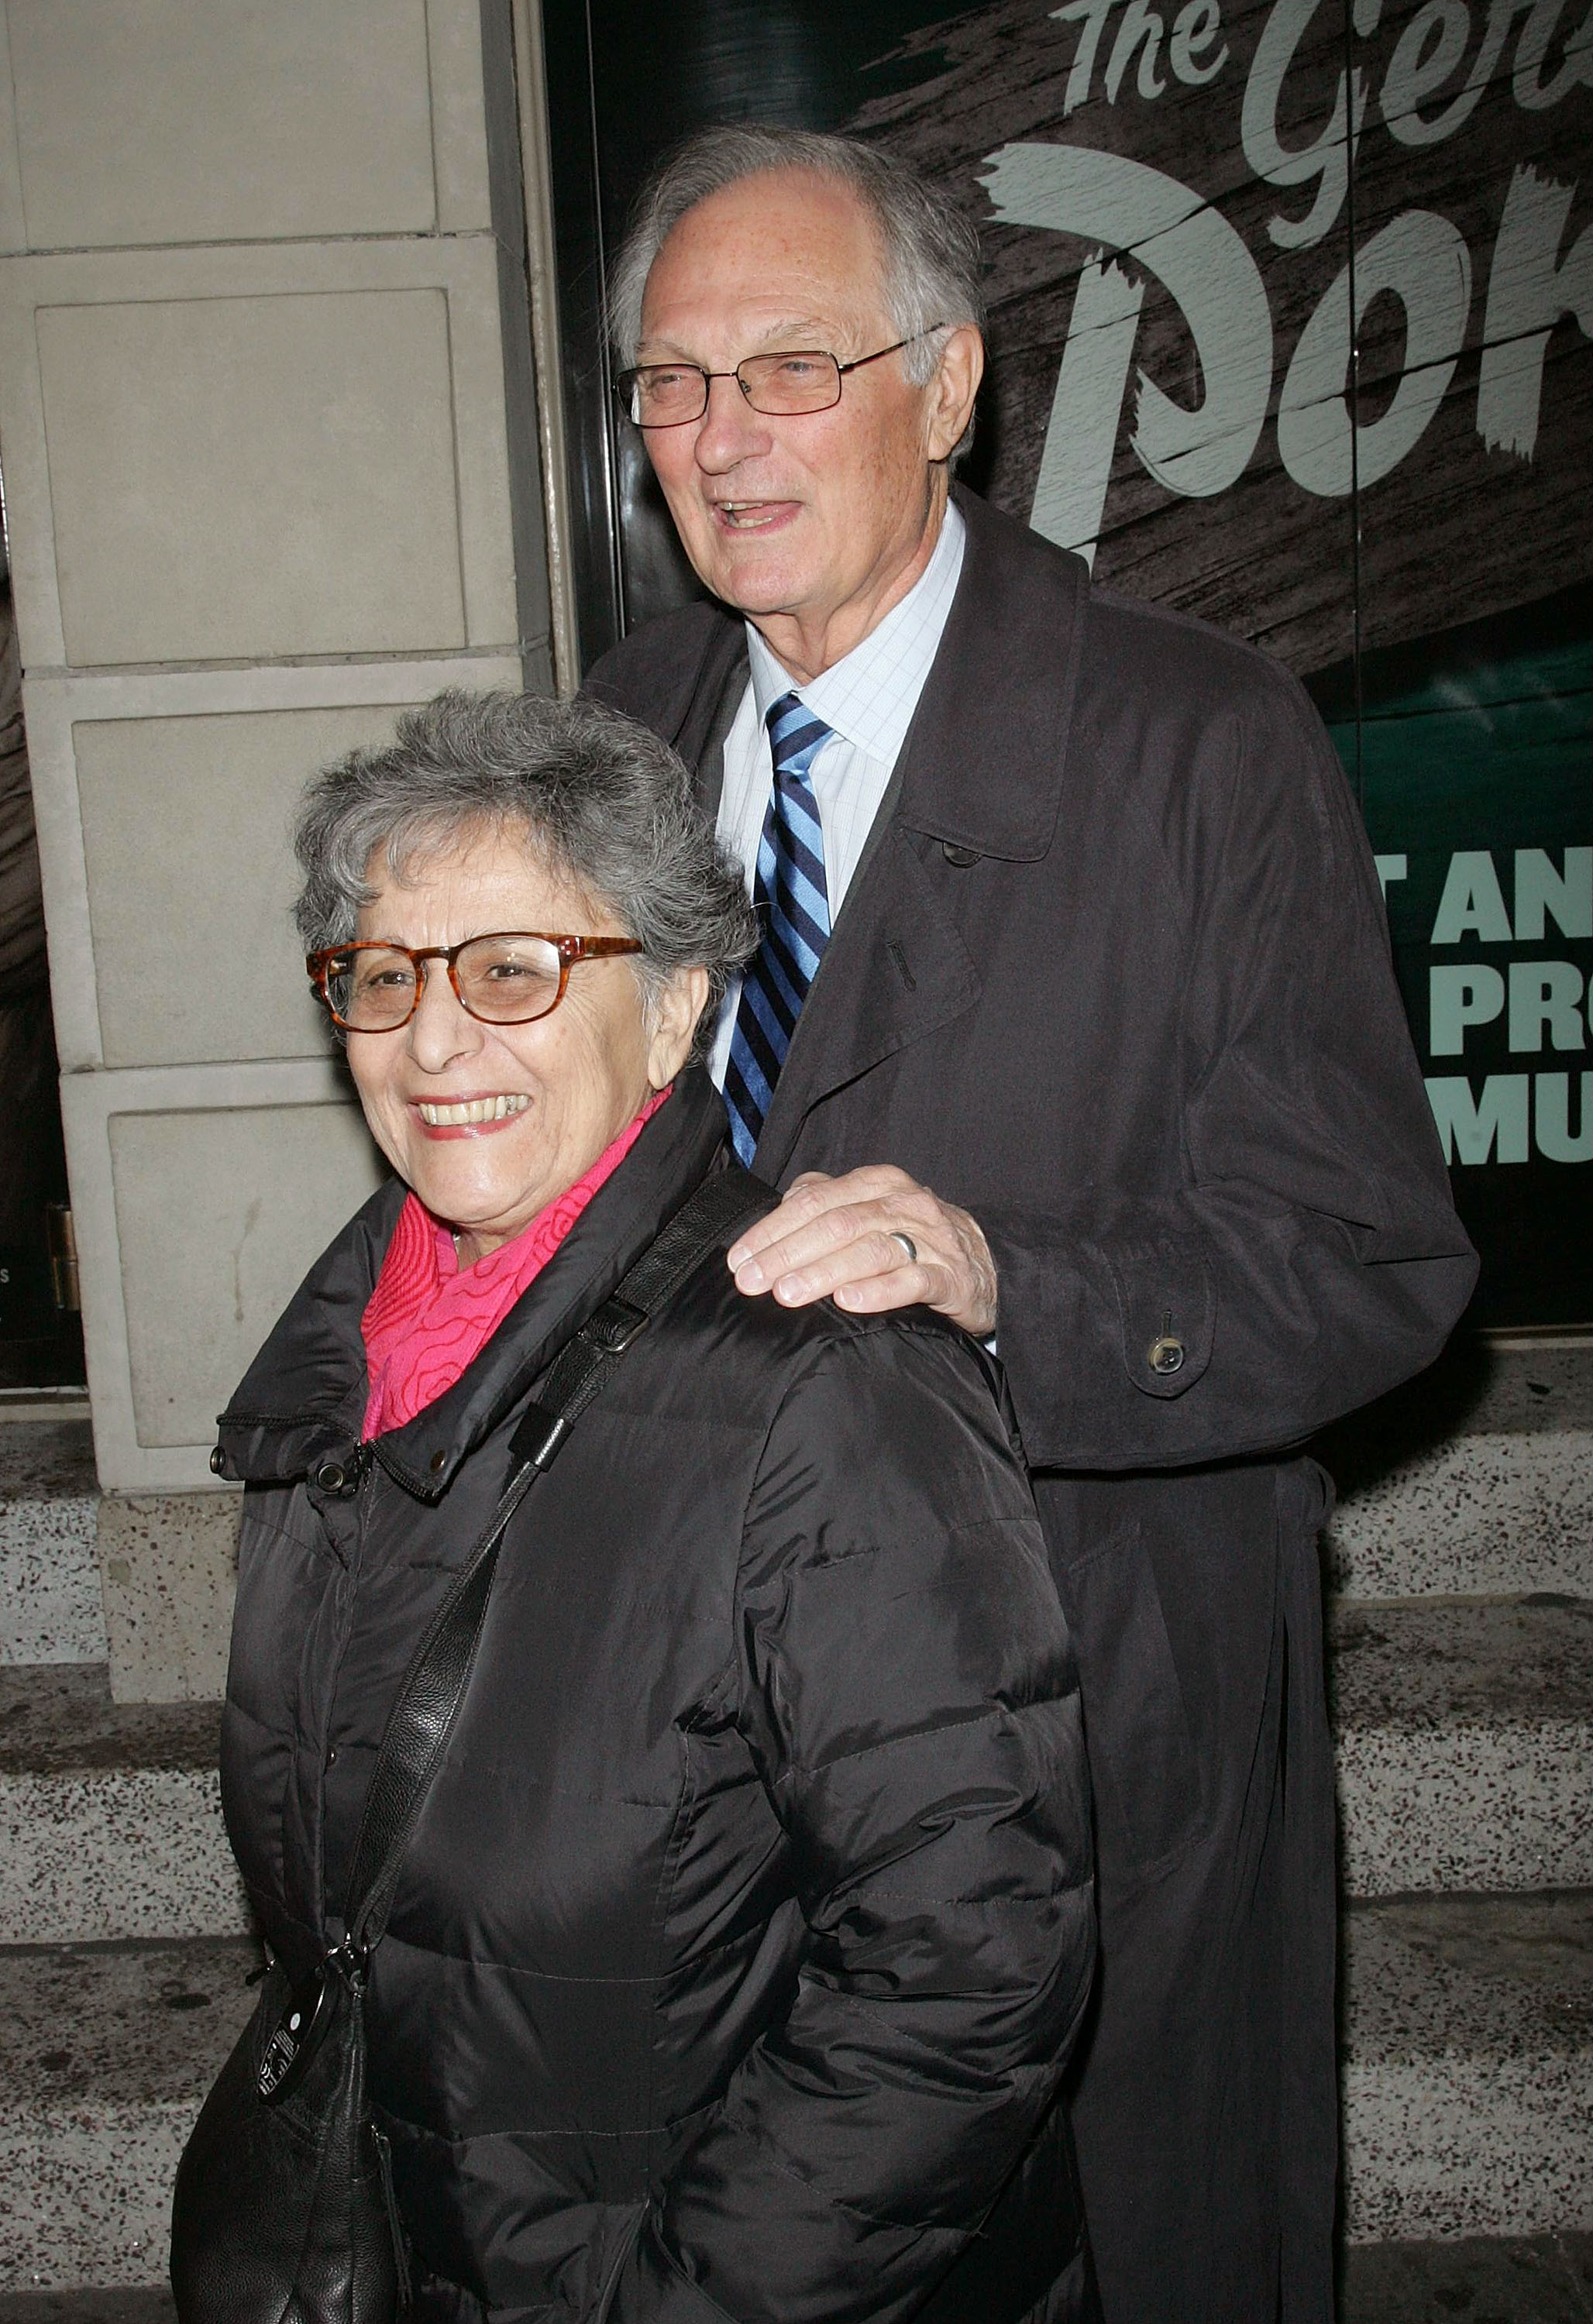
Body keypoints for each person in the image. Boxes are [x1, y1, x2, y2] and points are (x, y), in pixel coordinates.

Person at [583, 126, 1479, 2324]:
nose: (721, 436)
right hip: (695, 1728)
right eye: (673, 386)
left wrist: (1016, 1290)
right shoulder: (607, 745)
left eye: (790, 366)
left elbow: (1374, 1267)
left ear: (954, 384)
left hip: (1090, 1696)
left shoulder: (1197, 742)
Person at [212, 689, 1098, 2324]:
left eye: (511, 970)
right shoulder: (345, 1372)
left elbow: (964, 1972)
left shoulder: (825, 1388)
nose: (430, 1039)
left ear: (676, 1009)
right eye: (383, 975)